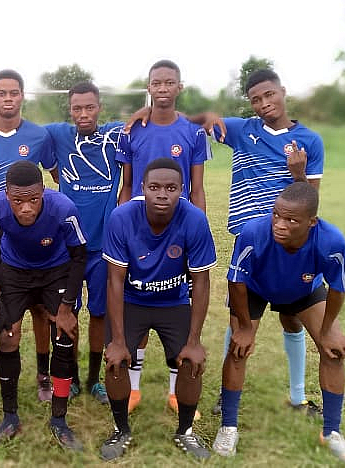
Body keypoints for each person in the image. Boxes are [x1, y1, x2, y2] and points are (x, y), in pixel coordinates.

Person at [212, 182, 345, 466]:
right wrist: (244, 328)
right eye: (276, 215)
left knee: (333, 352)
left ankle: (331, 433)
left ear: (311, 222)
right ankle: (228, 427)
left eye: (291, 220)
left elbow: (337, 288)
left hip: (304, 290)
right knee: (238, 348)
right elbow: (236, 281)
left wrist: (328, 330)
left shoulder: (331, 241)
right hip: (255, 288)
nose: (279, 225)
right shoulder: (252, 232)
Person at [205, 69, 325, 415]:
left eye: (269, 95)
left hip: (291, 248)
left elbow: (311, 201)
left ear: (282, 92)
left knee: (293, 319)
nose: (264, 103)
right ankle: (227, 394)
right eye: (256, 99)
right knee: (240, 321)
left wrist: (298, 173)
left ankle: (298, 397)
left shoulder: (310, 141)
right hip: (251, 247)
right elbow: (196, 120)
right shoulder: (242, 130)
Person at [100, 158, 216, 461]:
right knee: (115, 360)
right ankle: (121, 430)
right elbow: (114, 281)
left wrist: (194, 341)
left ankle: (185, 431)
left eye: (171, 188)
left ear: (182, 190)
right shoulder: (122, 217)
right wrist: (118, 341)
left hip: (173, 301)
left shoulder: (194, 219)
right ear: (143, 188)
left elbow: (201, 282)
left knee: (191, 362)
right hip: (131, 300)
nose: (162, 194)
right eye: (154, 187)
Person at [117, 60, 212, 415]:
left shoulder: (193, 132)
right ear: (148, 87)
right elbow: (127, 185)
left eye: (169, 83)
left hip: (178, 230)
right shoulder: (132, 130)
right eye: (156, 83)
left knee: (177, 303)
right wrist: (121, 227)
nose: (162, 89)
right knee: (137, 301)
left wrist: (198, 228)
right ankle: (133, 389)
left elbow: (197, 188)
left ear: (179, 87)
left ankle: (175, 391)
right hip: (139, 231)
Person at [0, 161, 86, 450]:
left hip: (56, 270)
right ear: (6, 195)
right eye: (18, 201)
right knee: (7, 337)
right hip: (14, 271)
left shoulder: (64, 209)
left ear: (43, 192)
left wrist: (66, 308)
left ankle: (59, 420)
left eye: (33, 200)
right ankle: (10, 417)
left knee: (64, 337)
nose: (26, 208)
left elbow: (79, 257)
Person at [0, 69, 55, 405]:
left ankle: (44, 375)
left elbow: (56, 175)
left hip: (28, 236)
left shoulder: (39, 136)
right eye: (1, 93)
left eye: (13, 92)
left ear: (22, 96)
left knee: (39, 308)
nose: (7, 98)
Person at [42, 81, 125, 403]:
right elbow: (23, 129)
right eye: (77, 108)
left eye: (89, 107)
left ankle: (94, 378)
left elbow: (147, 121)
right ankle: (72, 375)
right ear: (70, 109)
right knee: (68, 312)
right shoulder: (59, 134)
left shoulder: (115, 135)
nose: (83, 114)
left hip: (105, 246)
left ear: (99, 107)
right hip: (68, 248)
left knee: (100, 313)